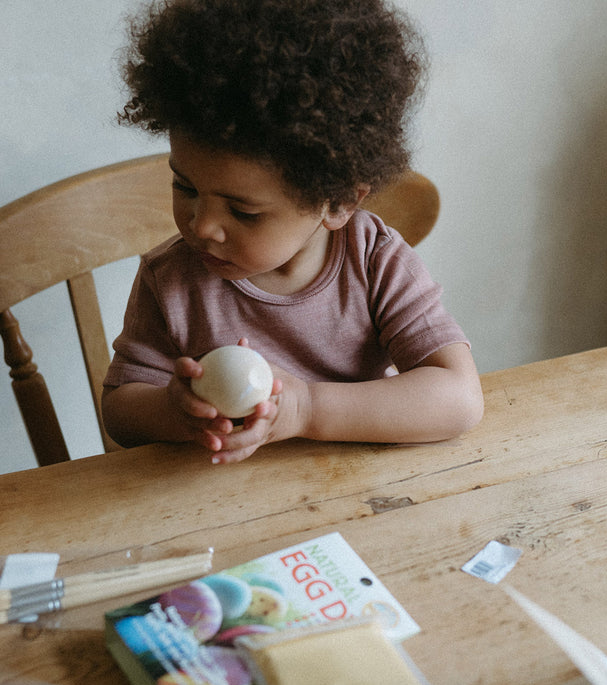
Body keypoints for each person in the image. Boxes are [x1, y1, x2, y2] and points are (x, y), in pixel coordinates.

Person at [102, 0, 483, 464]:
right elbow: (120, 412)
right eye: (185, 186)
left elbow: (459, 398)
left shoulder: (374, 261)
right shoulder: (171, 279)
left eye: (243, 212)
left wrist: (306, 409)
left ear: (339, 202)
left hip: (357, 495)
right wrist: (172, 410)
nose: (201, 226)